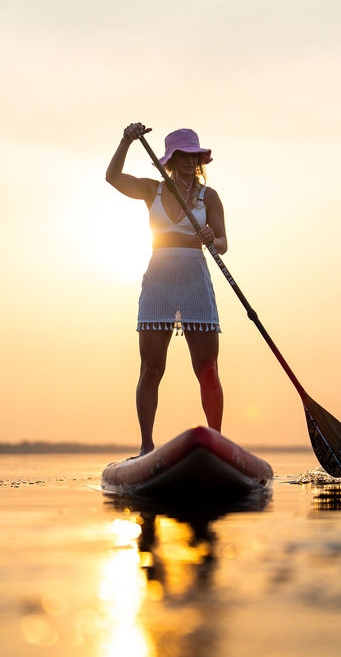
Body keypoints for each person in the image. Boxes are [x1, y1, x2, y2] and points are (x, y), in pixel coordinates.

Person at [106, 123, 227, 455]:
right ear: (171, 160)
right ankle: (146, 446)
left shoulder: (209, 196)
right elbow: (113, 178)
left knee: (208, 369)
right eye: (184, 156)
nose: (191, 162)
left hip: (195, 284)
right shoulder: (152, 190)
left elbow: (224, 243)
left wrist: (210, 238)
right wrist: (126, 140)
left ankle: (216, 441)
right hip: (158, 285)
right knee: (151, 368)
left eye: (196, 156)